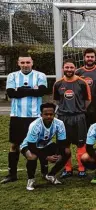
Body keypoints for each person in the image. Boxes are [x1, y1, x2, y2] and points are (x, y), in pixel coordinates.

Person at [2, 54, 48, 184]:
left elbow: (41, 92)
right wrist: (31, 90)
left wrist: (20, 90)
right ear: (18, 63)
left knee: (40, 143)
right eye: (23, 62)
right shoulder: (12, 76)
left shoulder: (40, 75)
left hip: (35, 116)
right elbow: (11, 93)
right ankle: (12, 174)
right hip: (17, 116)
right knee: (14, 145)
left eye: (28, 62)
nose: (25, 65)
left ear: (32, 63)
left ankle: (45, 173)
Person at [54, 59, 92, 178]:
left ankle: (81, 168)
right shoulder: (58, 84)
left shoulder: (82, 82)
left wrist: (79, 109)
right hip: (63, 118)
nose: (69, 70)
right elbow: (56, 100)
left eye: (71, 67)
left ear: (75, 69)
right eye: (67, 67)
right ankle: (68, 169)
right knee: (64, 145)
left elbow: (88, 100)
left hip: (78, 117)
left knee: (81, 144)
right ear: (63, 69)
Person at [20, 103, 69, 190]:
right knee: (32, 156)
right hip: (29, 145)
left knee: (66, 152)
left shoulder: (60, 123)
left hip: (45, 144)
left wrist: (58, 154)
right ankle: (31, 180)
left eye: (51, 114)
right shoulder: (34, 125)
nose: (49, 116)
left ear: (54, 114)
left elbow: (62, 142)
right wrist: (47, 157)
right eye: (46, 114)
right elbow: (32, 147)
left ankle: (51, 175)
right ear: (41, 115)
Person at [75, 48, 96, 128]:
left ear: (95, 58)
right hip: (83, 107)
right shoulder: (78, 72)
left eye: (92, 57)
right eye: (88, 57)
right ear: (84, 57)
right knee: (84, 131)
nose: (90, 59)